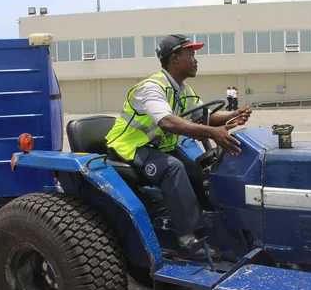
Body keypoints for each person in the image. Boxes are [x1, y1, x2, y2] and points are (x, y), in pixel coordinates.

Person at [105, 34, 251, 260]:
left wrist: (232, 117)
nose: (196, 59)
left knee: (194, 169)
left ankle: (208, 217)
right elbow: (167, 121)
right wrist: (212, 132)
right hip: (130, 147)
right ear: (175, 58)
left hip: (157, 147)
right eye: (191, 54)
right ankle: (189, 238)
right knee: (173, 169)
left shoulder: (183, 89)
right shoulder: (151, 88)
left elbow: (205, 116)